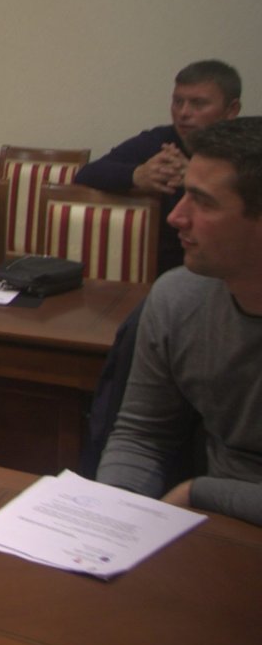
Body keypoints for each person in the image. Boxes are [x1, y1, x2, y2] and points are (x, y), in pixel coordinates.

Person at [97, 117, 262, 526]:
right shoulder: (178, 297)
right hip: (213, 528)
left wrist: (200, 492)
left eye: (203, 202)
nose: (175, 217)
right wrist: (113, 517)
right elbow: (142, 436)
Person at [74, 60, 242, 274]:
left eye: (198, 104)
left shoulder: (248, 148)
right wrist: (136, 175)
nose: (183, 112)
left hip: (225, 268)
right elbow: (87, 174)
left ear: (231, 110)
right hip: (160, 271)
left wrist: (194, 178)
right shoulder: (161, 141)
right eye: (177, 102)